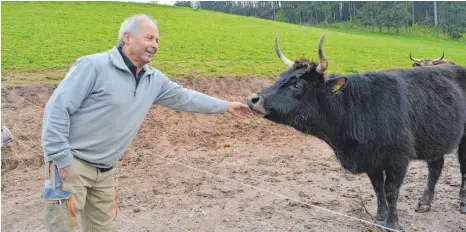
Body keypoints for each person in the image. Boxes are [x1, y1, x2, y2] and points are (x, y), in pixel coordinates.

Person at [41, 14, 252, 232]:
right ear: (127, 37)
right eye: (149, 38)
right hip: (72, 165)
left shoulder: (154, 80)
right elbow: (57, 109)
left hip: (105, 171)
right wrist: (62, 159)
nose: (154, 45)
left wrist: (226, 106)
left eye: (157, 41)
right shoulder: (93, 66)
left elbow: (186, 98)